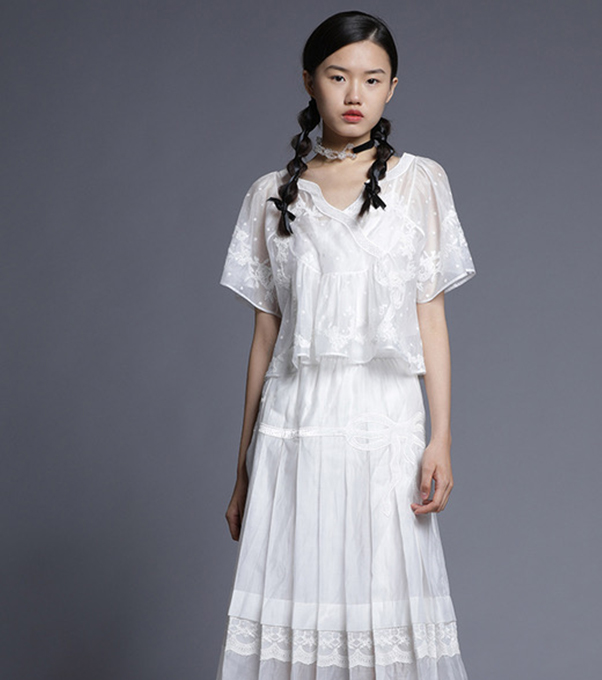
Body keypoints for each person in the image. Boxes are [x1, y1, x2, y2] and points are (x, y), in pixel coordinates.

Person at [214, 10, 476, 680]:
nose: (355, 94)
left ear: (393, 88)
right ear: (309, 82)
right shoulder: (270, 198)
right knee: (297, 601)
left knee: (383, 600)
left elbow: (432, 319)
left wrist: (441, 438)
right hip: (295, 426)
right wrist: (242, 467)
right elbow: (264, 338)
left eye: (372, 78)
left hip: (384, 425)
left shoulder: (421, 183)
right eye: (338, 77)